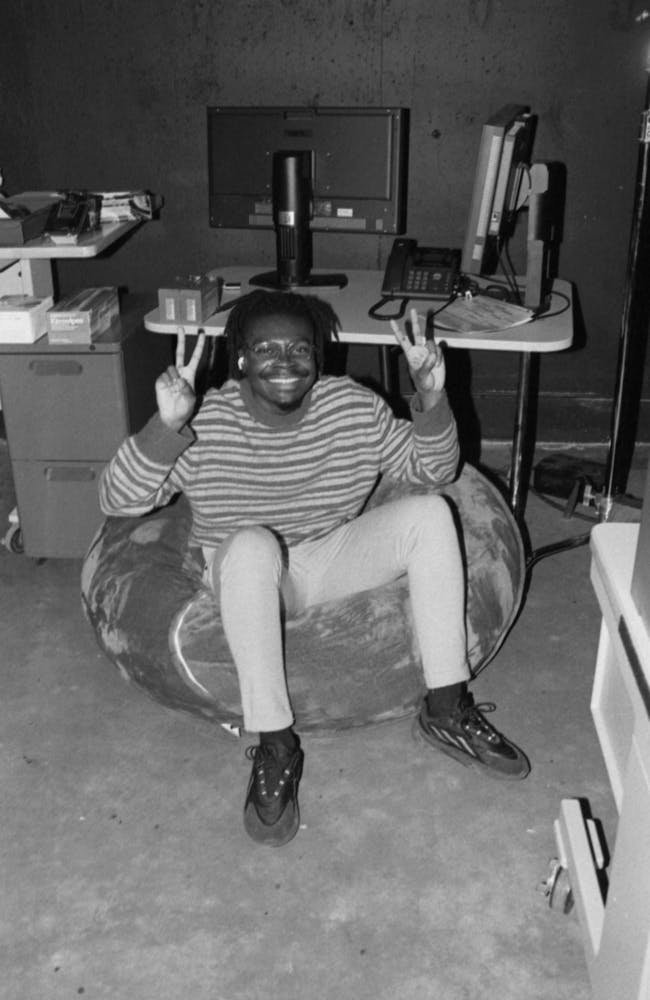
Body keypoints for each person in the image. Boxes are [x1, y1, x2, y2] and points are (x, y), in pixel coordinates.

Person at [99, 289, 529, 848]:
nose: (284, 363)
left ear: (318, 358)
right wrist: (165, 423)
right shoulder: (205, 422)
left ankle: (446, 706)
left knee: (429, 512)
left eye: (299, 349)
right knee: (253, 545)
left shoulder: (352, 407)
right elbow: (118, 501)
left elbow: (434, 470)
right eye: (265, 349)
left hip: (329, 556)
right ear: (242, 359)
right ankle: (275, 743)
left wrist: (431, 394)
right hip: (246, 573)